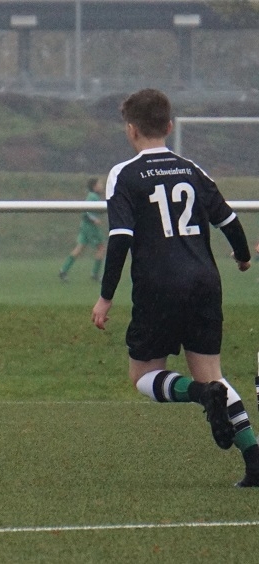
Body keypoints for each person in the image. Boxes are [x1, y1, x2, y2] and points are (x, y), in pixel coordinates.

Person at [91, 88, 259, 488]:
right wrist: (242, 256)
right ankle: (255, 460)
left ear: (131, 130)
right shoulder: (191, 169)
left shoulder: (124, 174)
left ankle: (200, 395)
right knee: (214, 374)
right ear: (169, 126)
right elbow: (228, 220)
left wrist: (106, 296)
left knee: (143, 376)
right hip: (204, 282)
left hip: (158, 287)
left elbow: (120, 238)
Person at [59, 177, 106, 282]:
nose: (102, 186)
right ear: (94, 186)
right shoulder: (93, 197)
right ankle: (95, 274)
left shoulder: (93, 196)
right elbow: (86, 211)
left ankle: (63, 270)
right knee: (101, 248)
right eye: (100, 184)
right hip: (90, 227)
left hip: (85, 226)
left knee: (79, 248)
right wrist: (94, 219)